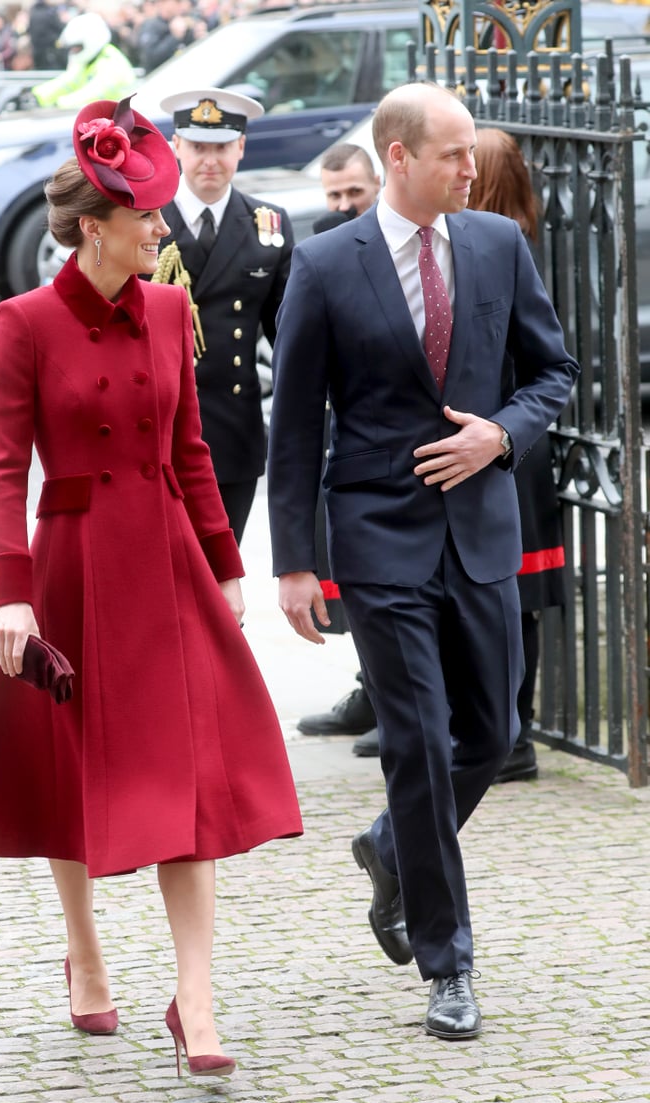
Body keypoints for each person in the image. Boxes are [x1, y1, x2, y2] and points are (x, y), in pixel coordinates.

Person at [0, 95, 303, 1075]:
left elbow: (189, 451)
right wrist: (10, 594)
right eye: (141, 215)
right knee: (72, 768)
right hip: (69, 568)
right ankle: (86, 953)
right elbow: (3, 468)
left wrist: (225, 567)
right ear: (94, 226)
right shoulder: (24, 322)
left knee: (186, 781)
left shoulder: (173, 309)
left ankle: (198, 1000)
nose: (157, 226)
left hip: (168, 561)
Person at [267, 82, 577, 1039]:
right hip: (378, 537)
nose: (469, 168)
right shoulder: (323, 265)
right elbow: (297, 423)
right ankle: (449, 965)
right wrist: (295, 562)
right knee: (417, 743)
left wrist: (501, 435)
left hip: (481, 528)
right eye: (451, 153)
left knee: (488, 734)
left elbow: (553, 373)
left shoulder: (497, 244)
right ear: (397, 157)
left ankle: (389, 847)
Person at [467, 127, 567, 783]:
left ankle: (514, 734)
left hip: (506, 439)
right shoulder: (502, 243)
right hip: (516, 439)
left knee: (510, 594)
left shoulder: (502, 250)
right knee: (505, 596)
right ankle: (508, 731)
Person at [154, 87, 294, 543]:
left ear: (240, 148)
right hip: (158, 424)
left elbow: (288, 334)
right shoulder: (143, 220)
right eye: (197, 147)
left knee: (221, 574)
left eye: (220, 147)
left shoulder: (267, 225)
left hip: (233, 430)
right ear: (175, 146)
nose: (208, 160)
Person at [297, 142, 383, 754]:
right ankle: (372, 691)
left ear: (379, 182)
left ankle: (393, 703)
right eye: (334, 196)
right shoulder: (320, 248)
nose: (345, 205)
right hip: (338, 437)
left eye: (355, 192)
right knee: (347, 577)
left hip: (395, 439)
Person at [32, 12, 135, 110]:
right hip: (104, 121)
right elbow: (67, 82)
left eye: (77, 47)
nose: (73, 51)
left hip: (120, 124)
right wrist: (35, 95)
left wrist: (59, 104)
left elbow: (94, 92)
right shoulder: (89, 62)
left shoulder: (112, 62)